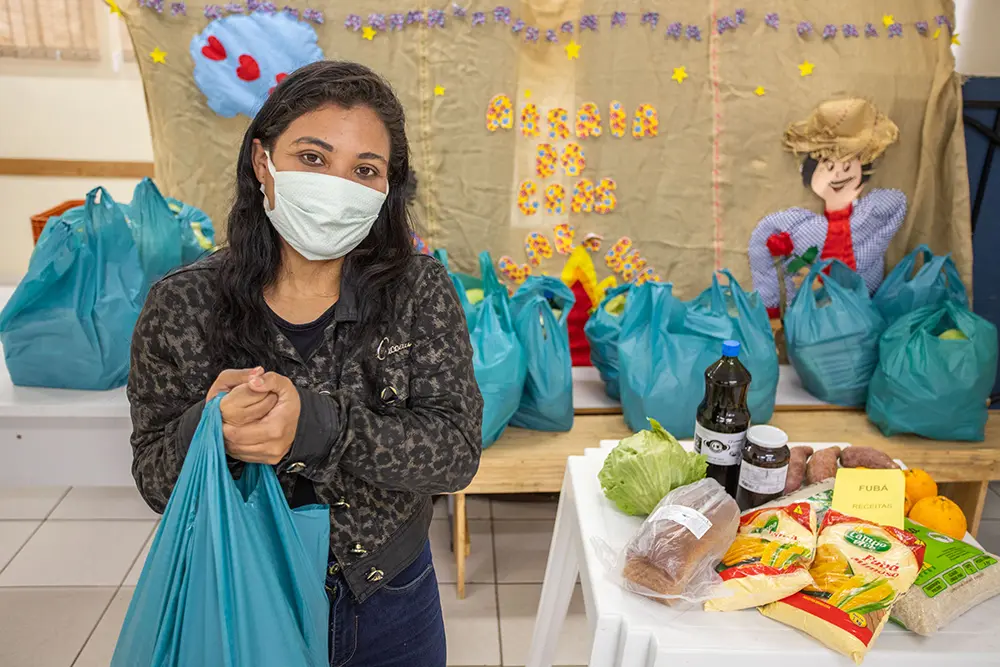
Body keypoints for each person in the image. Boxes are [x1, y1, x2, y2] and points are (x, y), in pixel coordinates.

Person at [127, 61, 484, 667]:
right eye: (314, 159)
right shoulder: (182, 304)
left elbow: (455, 453)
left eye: (364, 170)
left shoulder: (416, 290)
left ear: (385, 190)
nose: (337, 185)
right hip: (238, 590)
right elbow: (155, 479)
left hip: (387, 594)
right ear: (264, 162)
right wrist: (210, 428)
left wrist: (318, 427)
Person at [747, 98, 907, 317]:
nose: (839, 174)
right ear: (810, 171)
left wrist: (850, 209)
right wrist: (770, 304)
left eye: (848, 165)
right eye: (829, 166)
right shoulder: (799, 225)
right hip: (807, 320)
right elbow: (761, 241)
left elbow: (897, 202)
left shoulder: (870, 216)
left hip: (861, 316)